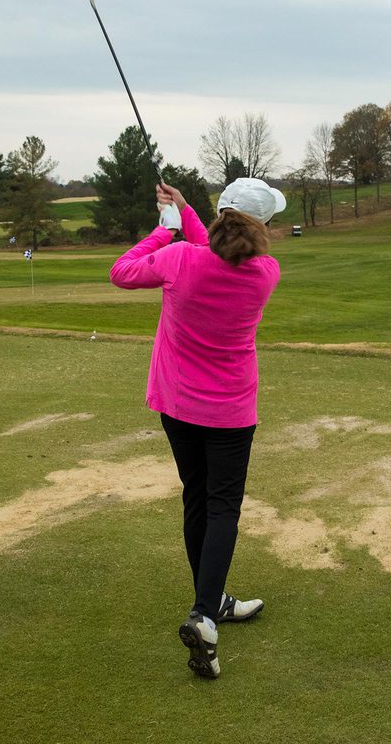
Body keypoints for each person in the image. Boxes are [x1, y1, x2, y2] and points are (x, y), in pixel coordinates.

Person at [109, 176, 285, 679]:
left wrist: (164, 229)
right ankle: (207, 611)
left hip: (177, 405)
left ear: (221, 213)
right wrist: (183, 211)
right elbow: (217, 250)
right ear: (263, 226)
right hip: (230, 412)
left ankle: (208, 604)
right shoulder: (265, 271)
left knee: (196, 497)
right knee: (222, 506)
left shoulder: (180, 258)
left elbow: (121, 272)